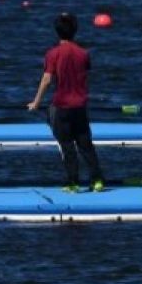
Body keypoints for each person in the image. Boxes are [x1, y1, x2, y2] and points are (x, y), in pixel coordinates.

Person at [27, 13, 106, 193]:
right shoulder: (83, 54)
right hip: (80, 105)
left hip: (61, 106)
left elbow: (47, 80)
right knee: (86, 145)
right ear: (75, 32)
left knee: (67, 146)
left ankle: (73, 182)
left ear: (57, 32)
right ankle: (97, 180)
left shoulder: (52, 54)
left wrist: (36, 102)